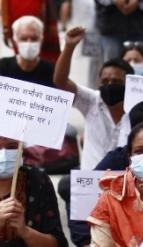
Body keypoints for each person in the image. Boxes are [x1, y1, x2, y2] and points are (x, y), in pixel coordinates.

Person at [55, 26, 133, 172]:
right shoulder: (91, 101)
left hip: (123, 183)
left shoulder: (140, 110)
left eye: (116, 82)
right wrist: (69, 47)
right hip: (90, 181)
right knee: (66, 185)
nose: (109, 85)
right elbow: (61, 81)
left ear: (130, 84)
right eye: (105, 81)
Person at [0, 15, 56, 102]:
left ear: (41, 40)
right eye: (24, 38)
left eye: (34, 38)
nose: (29, 43)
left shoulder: (51, 70)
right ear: (15, 40)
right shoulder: (2, 66)